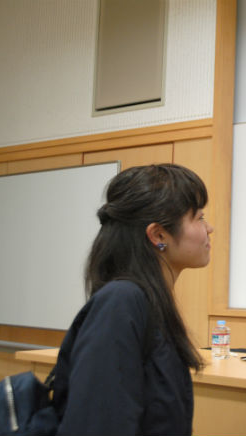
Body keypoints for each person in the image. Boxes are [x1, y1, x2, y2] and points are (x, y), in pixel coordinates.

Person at [53, 163, 214, 435]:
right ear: (158, 235)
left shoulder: (150, 301)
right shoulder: (121, 302)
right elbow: (99, 424)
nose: (210, 228)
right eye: (198, 217)